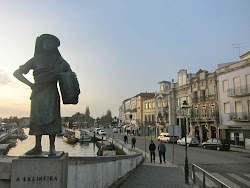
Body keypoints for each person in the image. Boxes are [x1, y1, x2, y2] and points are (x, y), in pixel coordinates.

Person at [13, 34, 79, 156]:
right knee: (37, 119)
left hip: (51, 92)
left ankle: (52, 147)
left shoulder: (59, 61)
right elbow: (17, 73)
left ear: (54, 46)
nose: (46, 44)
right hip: (37, 93)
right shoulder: (36, 59)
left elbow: (69, 73)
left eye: (49, 42)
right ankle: (37, 146)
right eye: (44, 42)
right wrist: (31, 85)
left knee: (52, 119)